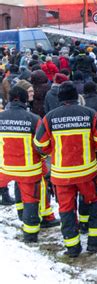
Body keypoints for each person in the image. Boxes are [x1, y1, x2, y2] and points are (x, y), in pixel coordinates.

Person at [34, 81, 97, 257]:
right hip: (87, 172)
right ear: (77, 97)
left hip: (61, 175)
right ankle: (96, 242)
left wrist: (56, 150)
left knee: (66, 210)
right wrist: (91, 148)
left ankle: (72, 247)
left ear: (60, 98)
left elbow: (39, 144)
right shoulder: (90, 114)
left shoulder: (50, 118)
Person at [0, 86, 46, 241]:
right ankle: (30, 234)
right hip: (28, 168)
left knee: (21, 194)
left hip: (4, 166)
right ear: (24, 99)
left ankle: (21, 215)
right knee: (31, 200)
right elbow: (41, 145)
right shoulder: (33, 119)